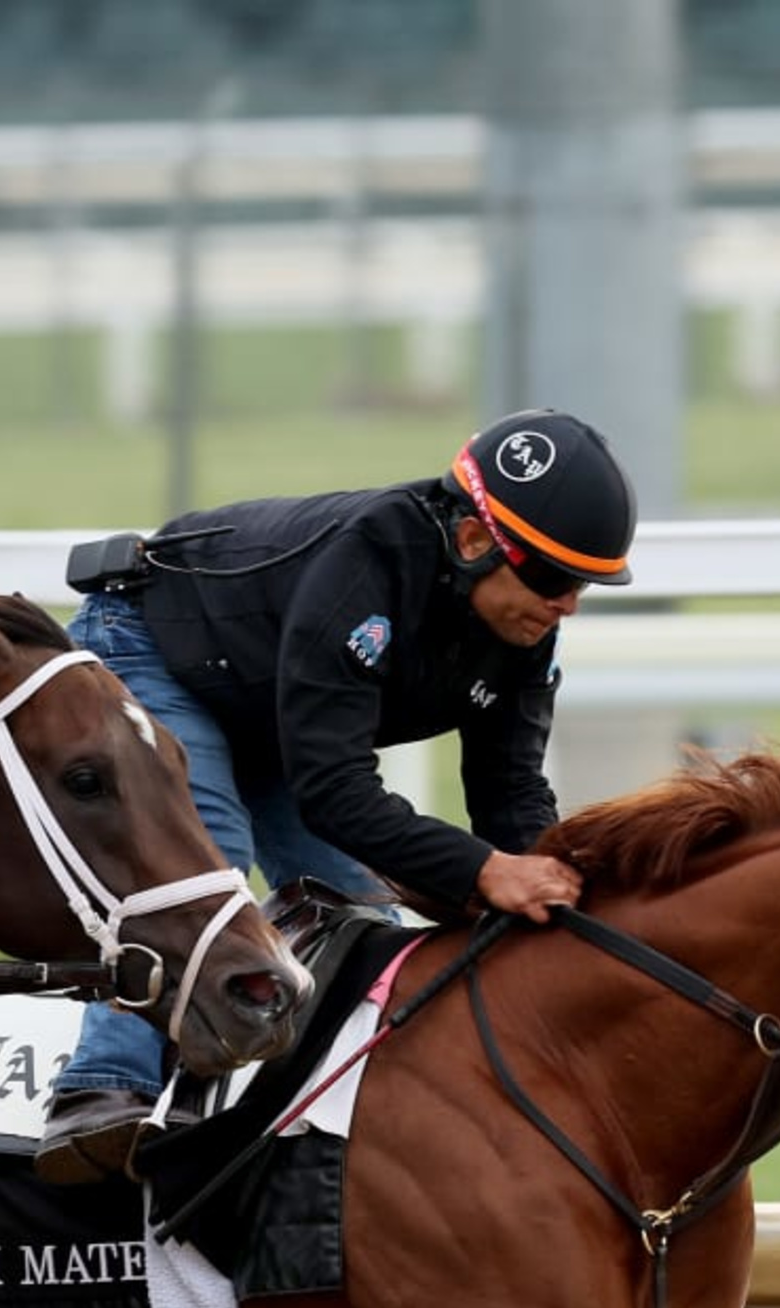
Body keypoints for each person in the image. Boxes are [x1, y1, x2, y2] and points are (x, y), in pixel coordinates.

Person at [32, 407, 637, 1184]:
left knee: (359, 917)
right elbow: (333, 792)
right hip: (158, 649)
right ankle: (101, 1092)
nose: (569, 606)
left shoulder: (527, 628)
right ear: (477, 540)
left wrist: (557, 893)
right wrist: (483, 874)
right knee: (212, 857)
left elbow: (510, 793)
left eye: (585, 585)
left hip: (267, 699)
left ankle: (344, 1125)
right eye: (555, 580)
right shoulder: (367, 565)